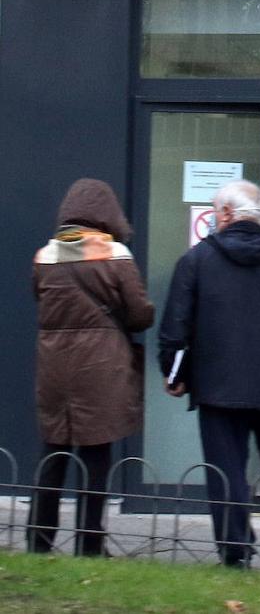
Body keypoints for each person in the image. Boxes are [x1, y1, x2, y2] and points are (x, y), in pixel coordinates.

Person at [158, 180, 260, 571]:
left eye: (217, 211)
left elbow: (176, 327)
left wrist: (174, 373)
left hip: (219, 388)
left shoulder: (197, 260)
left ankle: (235, 551)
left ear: (227, 215)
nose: (215, 218)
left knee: (227, 472)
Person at [29, 178, 155, 556]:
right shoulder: (114, 253)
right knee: (96, 455)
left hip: (54, 365)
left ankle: (39, 539)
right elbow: (139, 311)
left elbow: (39, 300)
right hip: (100, 365)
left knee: (53, 451)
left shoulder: (45, 256)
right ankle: (89, 542)